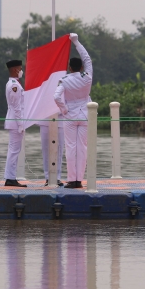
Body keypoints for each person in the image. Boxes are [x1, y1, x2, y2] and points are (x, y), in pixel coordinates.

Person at [54, 33, 92, 189]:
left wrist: (64, 108)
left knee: (70, 147)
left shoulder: (65, 80)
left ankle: (71, 180)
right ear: (81, 67)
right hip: (85, 114)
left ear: (69, 68)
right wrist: (76, 42)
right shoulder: (87, 77)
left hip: (69, 115)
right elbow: (87, 58)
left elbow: (56, 96)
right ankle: (79, 180)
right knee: (82, 147)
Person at [3, 60, 27, 187]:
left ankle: (10, 177)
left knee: (14, 149)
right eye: (20, 68)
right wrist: (21, 124)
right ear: (14, 70)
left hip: (14, 121)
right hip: (15, 122)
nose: (21, 71)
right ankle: (10, 178)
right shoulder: (14, 86)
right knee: (14, 150)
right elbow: (17, 107)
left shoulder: (14, 84)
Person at [39, 117, 65, 187]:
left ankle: (57, 177)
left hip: (60, 122)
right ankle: (47, 177)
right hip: (45, 121)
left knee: (59, 150)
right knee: (46, 150)